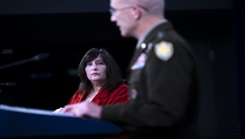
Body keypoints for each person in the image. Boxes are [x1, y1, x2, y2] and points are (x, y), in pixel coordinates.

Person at [59, 0, 202, 138]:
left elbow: (165, 113)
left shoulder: (164, 47)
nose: (113, 18)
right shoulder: (148, 46)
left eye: (114, 11)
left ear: (135, 11)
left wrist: (101, 112)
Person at [54, 48, 128, 112]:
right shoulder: (80, 93)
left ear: (109, 68)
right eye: (89, 64)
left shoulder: (122, 90)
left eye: (99, 63)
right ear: (85, 70)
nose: (94, 68)